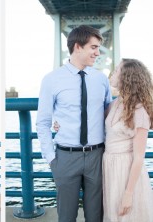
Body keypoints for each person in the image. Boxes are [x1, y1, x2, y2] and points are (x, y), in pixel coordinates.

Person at [36, 25, 112, 222]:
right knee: (66, 217)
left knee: (96, 216)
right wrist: (52, 159)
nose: (97, 53)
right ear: (78, 47)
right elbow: (43, 122)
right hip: (65, 158)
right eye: (93, 47)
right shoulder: (51, 80)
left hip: (97, 156)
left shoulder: (101, 79)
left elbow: (109, 116)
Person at [103, 58, 153, 221]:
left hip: (126, 170)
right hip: (110, 166)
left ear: (126, 78)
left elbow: (139, 157)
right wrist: (58, 122)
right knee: (113, 215)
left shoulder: (139, 111)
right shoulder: (114, 104)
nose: (113, 72)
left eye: (117, 69)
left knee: (127, 215)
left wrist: (128, 194)